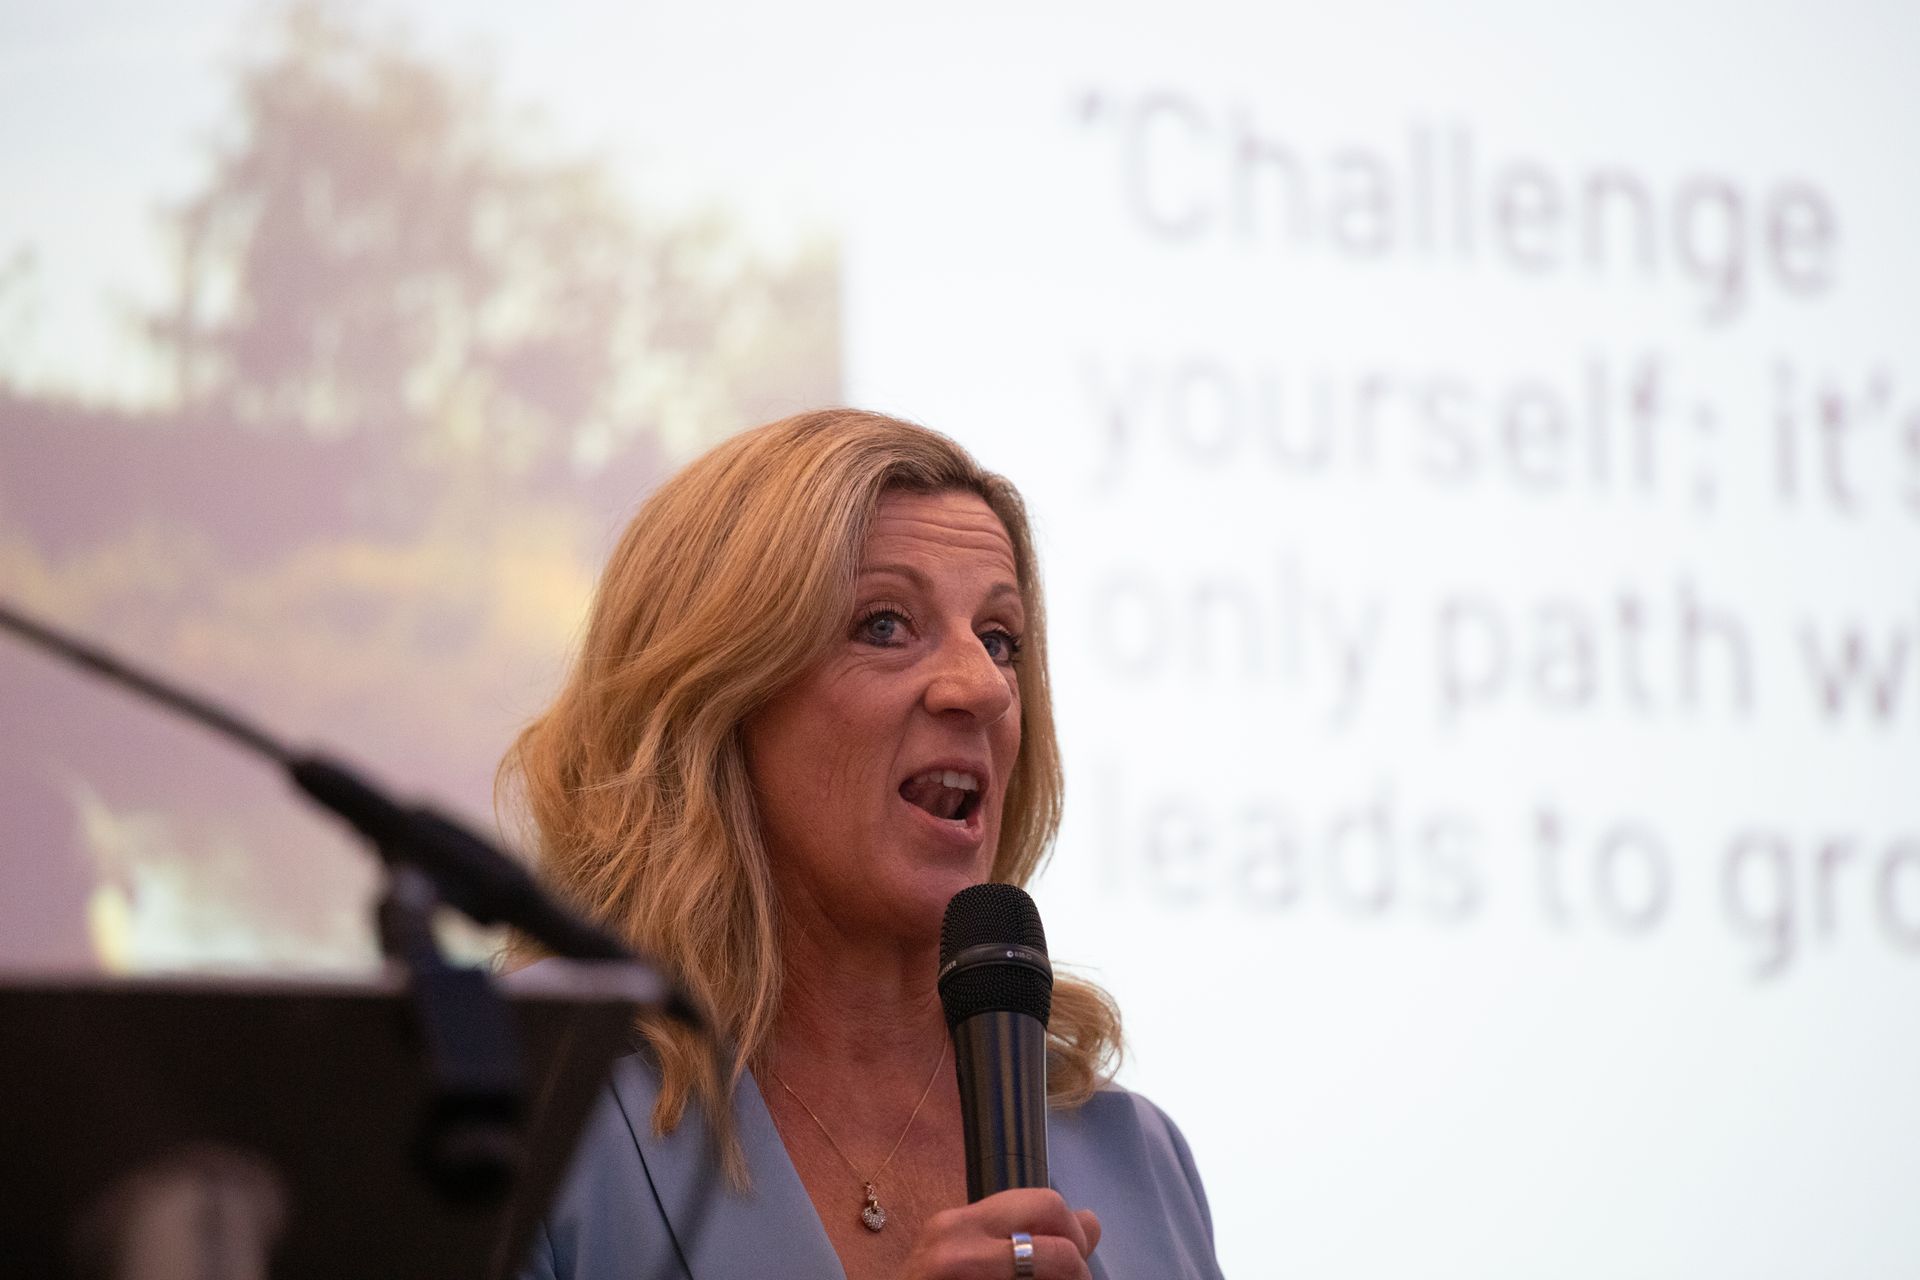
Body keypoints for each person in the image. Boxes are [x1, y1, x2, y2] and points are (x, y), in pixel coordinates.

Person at [506, 409, 1223, 1280]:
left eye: (1000, 641)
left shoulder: (1133, 1159)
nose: (983, 690)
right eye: (885, 626)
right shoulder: (532, 1085)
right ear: (716, 704)